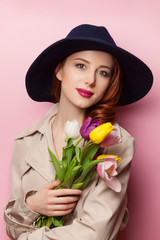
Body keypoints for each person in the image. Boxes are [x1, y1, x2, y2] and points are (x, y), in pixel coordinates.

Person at [4, 24, 153, 240]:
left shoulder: (116, 142)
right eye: (81, 66)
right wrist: (31, 204)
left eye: (103, 72)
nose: (90, 80)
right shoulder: (25, 141)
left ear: (110, 82)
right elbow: (13, 228)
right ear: (59, 70)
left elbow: (95, 233)